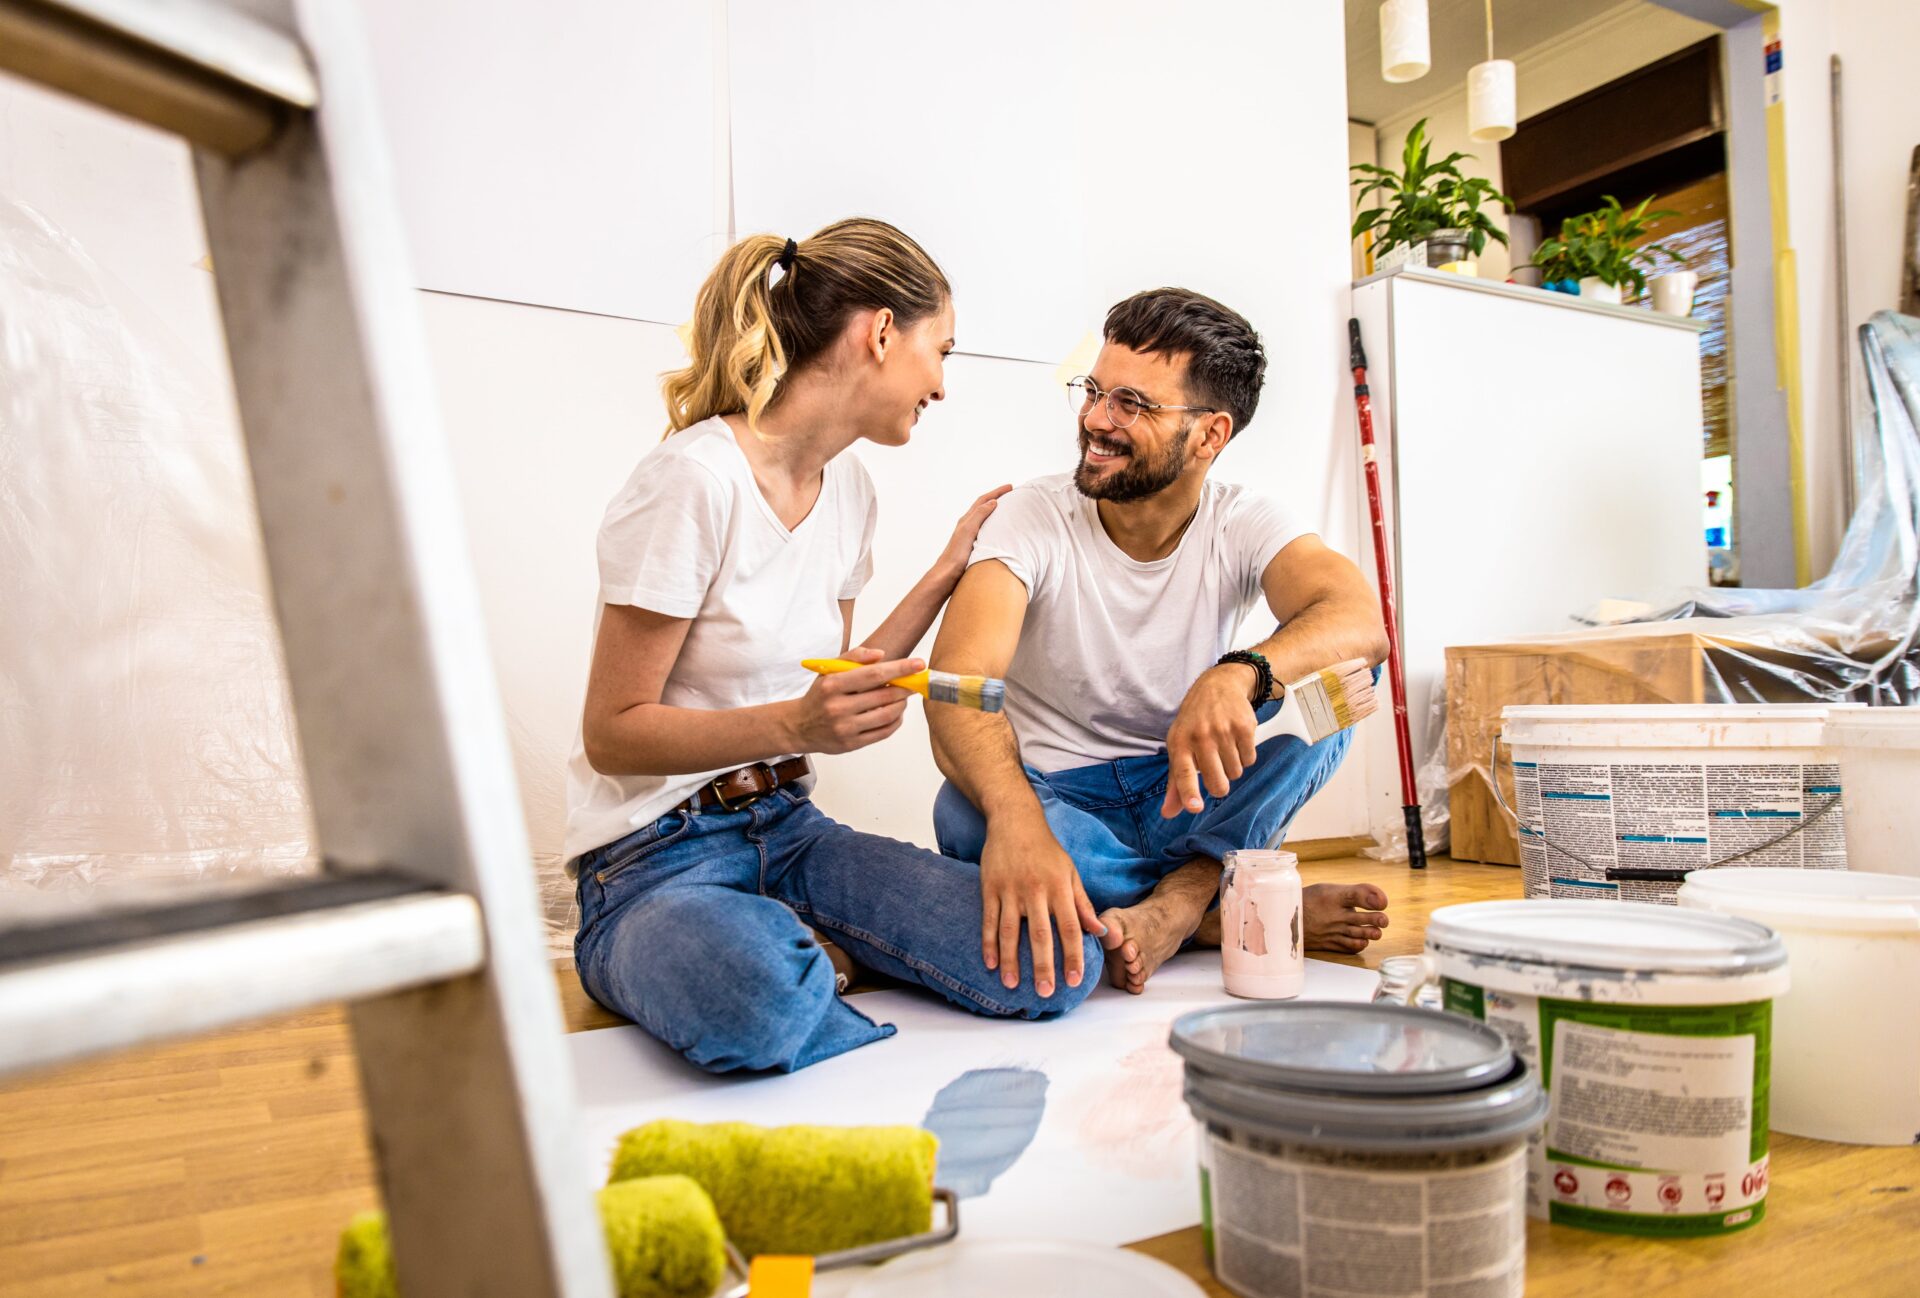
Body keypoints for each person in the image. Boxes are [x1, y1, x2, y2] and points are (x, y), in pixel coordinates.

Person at [565, 219, 1101, 1074]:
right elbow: (614, 732)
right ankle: (747, 958)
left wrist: (943, 576)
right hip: (654, 858)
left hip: (792, 831)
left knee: (1053, 961)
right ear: (881, 332)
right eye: (944, 351)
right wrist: (795, 727)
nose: (942, 384)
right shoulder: (692, 481)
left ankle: (806, 955)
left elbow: (826, 682)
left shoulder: (848, 490)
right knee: (757, 999)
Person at [928, 287, 1393, 996]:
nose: (1094, 419)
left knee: (1350, 684)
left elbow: (1360, 622)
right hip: (1065, 804)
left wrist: (1237, 674)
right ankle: (1215, 904)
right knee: (965, 812)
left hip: (1192, 787)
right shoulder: (1030, 517)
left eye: (1131, 405)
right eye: (1094, 391)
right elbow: (956, 687)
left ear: (1210, 436)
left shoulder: (1244, 520)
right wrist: (1020, 822)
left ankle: (1179, 902)